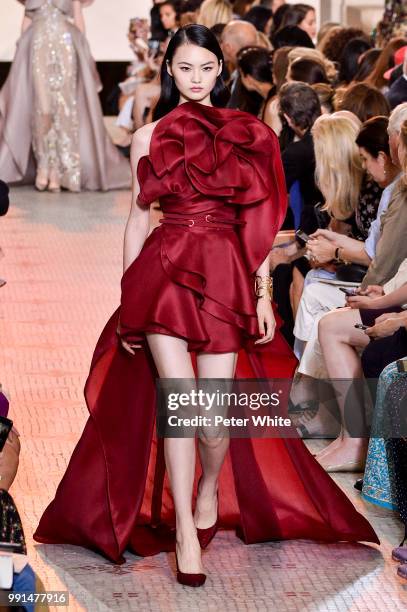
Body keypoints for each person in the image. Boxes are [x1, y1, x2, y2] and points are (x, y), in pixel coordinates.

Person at [33, 24, 378, 587]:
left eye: (205, 68)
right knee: (180, 405)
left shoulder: (250, 134)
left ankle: (209, 487)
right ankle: (186, 538)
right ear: (170, 70)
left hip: (224, 277)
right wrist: (127, 297)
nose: (195, 78)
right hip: (164, 275)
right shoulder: (149, 137)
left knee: (212, 420)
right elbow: (136, 219)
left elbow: (258, 222)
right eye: (184, 68)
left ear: (220, 70)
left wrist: (264, 292)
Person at [0, 0, 131, 192]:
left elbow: (78, 19)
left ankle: (63, 171)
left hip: (66, 46)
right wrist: (21, 56)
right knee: (42, 108)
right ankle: (45, 165)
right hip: (37, 47)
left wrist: (84, 55)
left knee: (64, 109)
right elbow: (27, 20)